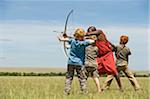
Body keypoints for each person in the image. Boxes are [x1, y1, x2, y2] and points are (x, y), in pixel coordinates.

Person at [58, 28, 94, 95]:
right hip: (79, 63)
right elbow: (92, 41)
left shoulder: (72, 41)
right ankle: (84, 92)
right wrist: (86, 37)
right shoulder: (84, 43)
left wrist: (61, 35)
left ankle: (66, 92)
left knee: (69, 78)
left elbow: (61, 39)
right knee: (82, 78)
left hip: (70, 62)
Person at [86, 26, 123, 91]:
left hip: (107, 55)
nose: (89, 33)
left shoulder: (100, 32)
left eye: (91, 31)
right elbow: (79, 38)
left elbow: (88, 35)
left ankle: (121, 87)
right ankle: (99, 89)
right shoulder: (91, 39)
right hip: (99, 57)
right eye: (89, 32)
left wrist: (85, 34)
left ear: (94, 31)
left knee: (114, 71)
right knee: (94, 70)